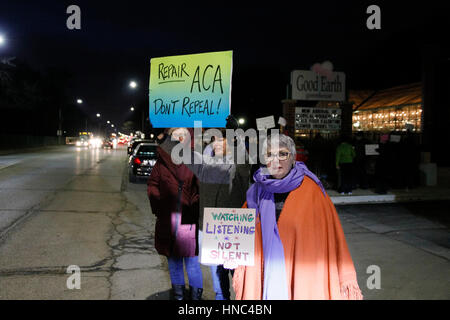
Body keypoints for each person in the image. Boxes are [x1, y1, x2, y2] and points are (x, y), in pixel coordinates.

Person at [233, 134, 363, 300]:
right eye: (269, 154)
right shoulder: (257, 190)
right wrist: (233, 253)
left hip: (303, 275)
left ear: (293, 158)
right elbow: (241, 230)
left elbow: (332, 237)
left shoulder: (312, 191)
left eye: (282, 154)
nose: (276, 160)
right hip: (264, 275)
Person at [159, 117, 251, 300]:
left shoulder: (239, 166)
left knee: (241, 279)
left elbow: (243, 158)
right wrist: (166, 137)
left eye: (221, 139)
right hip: (211, 231)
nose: (216, 144)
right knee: (219, 281)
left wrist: (235, 133)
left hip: (235, 232)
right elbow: (181, 153)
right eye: (214, 140)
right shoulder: (205, 165)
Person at [147, 127, 203, 300]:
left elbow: (204, 188)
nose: (179, 138)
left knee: (192, 263)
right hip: (168, 220)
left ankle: (195, 301)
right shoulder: (161, 162)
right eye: (175, 135)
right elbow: (152, 186)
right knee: (174, 263)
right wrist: (160, 208)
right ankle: (178, 298)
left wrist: (195, 209)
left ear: (190, 138)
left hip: (189, 220)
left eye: (183, 134)